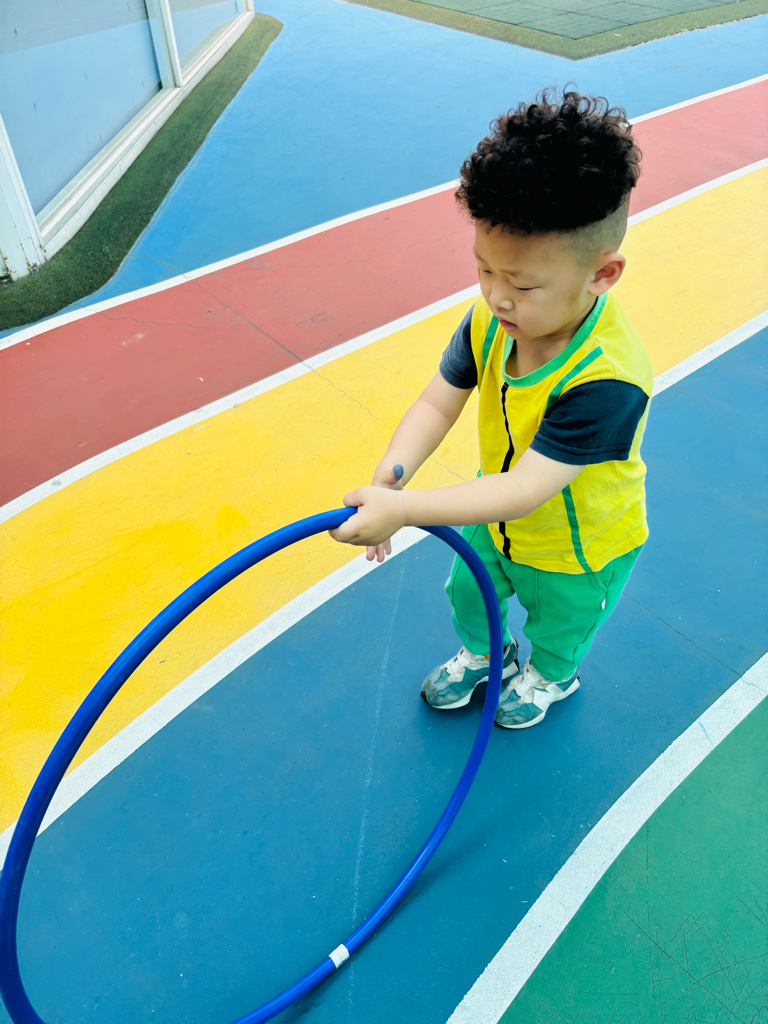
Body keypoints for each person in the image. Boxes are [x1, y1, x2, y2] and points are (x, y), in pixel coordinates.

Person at [329, 89, 652, 729]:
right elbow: (437, 401)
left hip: (576, 546)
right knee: (468, 590)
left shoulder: (607, 379)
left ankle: (551, 676)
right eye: (485, 271)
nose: (497, 298)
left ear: (602, 274)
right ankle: (487, 653)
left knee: (560, 623)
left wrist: (406, 511)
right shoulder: (491, 320)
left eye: (523, 284)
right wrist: (391, 478)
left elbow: (528, 489)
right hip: (495, 506)